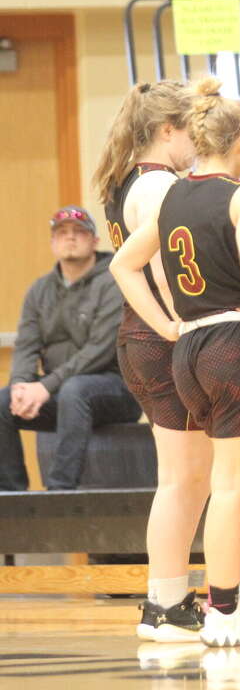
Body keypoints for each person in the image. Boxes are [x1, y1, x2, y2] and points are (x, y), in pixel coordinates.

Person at [110, 77, 240, 647]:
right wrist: (180, 321)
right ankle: (192, 603)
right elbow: (172, 271)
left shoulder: (143, 182)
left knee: (205, 481)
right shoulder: (172, 187)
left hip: (170, 339)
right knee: (204, 482)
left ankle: (186, 599)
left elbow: (123, 262)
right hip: (193, 333)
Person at [93, 81, 214, 640]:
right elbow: (160, 273)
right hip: (157, 334)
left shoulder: (126, 181)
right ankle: (164, 603)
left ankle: (171, 597)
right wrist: (175, 324)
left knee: (188, 478)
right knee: (182, 480)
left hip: (140, 335)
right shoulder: (162, 185)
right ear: (169, 131)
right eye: (192, 130)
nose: (198, 141)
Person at [0, 206, 142, 493]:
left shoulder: (114, 281)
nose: (70, 238)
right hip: (61, 393)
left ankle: (60, 492)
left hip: (117, 391)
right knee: (2, 402)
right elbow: (26, 346)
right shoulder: (39, 290)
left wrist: (46, 386)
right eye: (62, 233)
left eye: (79, 232)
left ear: (94, 241)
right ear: (53, 243)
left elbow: (100, 350)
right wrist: (20, 385)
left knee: (75, 390)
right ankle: (12, 496)